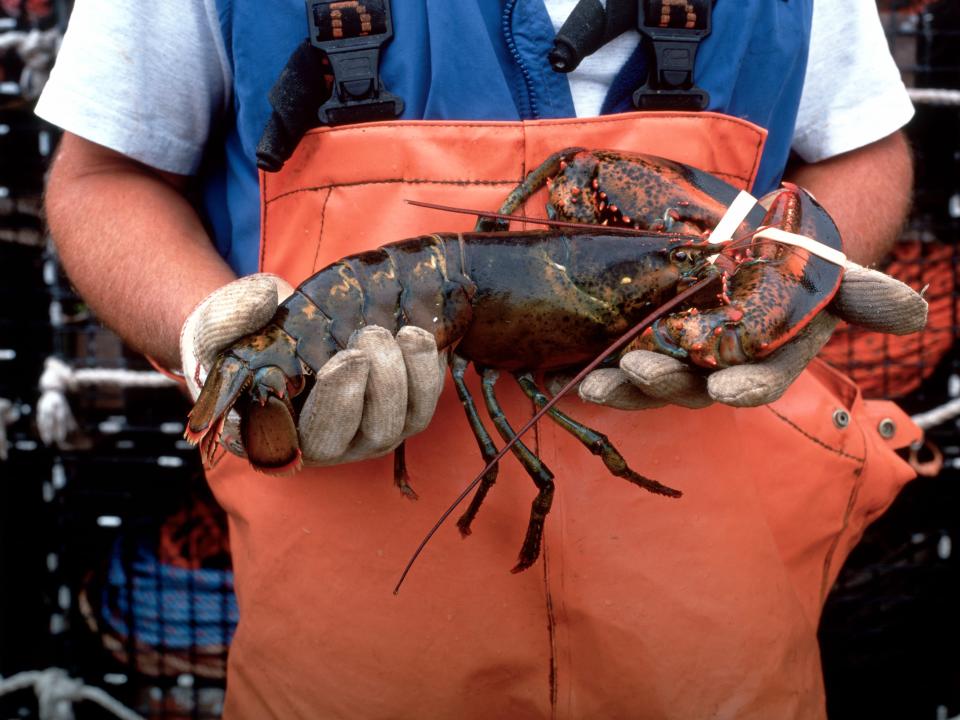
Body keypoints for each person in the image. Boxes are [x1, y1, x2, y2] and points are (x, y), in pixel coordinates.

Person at [36, 1, 925, 717]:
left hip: (723, 648)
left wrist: (805, 276)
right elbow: (108, 175)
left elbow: (862, 148)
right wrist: (206, 330)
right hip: (354, 657)